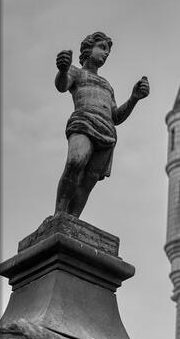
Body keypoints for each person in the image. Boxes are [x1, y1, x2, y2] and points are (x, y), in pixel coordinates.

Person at [54, 31, 149, 218]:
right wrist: (63, 69)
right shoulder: (76, 72)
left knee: (89, 181)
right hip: (84, 121)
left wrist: (134, 98)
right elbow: (62, 85)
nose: (105, 54)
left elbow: (115, 116)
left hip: (107, 131)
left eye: (108, 51)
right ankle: (59, 214)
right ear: (89, 48)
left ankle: (72, 219)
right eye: (102, 48)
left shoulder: (107, 85)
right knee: (75, 162)